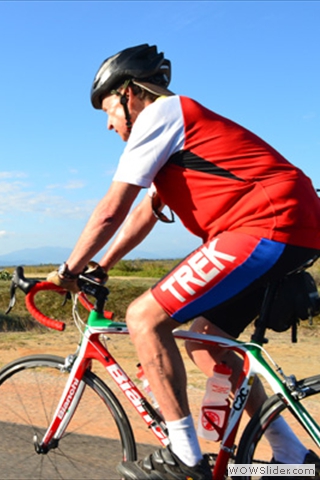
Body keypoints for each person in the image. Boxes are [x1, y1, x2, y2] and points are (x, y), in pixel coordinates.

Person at [47, 44, 320, 480]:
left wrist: (68, 270)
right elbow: (144, 212)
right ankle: (290, 453)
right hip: (288, 224)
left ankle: (184, 458)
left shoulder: (159, 117)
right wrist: (105, 263)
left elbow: (111, 210)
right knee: (207, 339)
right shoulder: (179, 130)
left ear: (130, 94)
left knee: (144, 318)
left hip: (266, 223)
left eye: (108, 111)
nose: (109, 123)